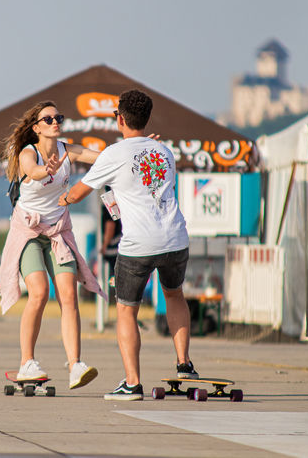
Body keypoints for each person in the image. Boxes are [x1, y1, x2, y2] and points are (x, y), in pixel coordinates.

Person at [62, 89, 198, 401]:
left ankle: (132, 382)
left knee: (126, 310)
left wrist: (58, 198)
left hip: (139, 243)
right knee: (174, 295)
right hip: (175, 237)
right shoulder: (164, 151)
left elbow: (77, 193)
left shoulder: (113, 154)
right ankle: (184, 364)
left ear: (119, 119)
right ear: (146, 118)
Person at [0, 100, 106, 390]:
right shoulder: (27, 153)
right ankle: (27, 362)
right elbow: (32, 172)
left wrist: (137, 149)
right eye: (48, 119)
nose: (55, 122)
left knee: (69, 295)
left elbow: (103, 158)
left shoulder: (67, 150)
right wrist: (48, 169)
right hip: (29, 232)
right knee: (39, 293)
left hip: (58, 231)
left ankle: (75, 365)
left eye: (58, 117)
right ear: (36, 128)